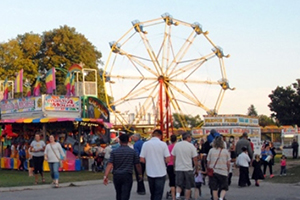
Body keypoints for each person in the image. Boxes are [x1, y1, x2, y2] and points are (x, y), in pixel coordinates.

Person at [103, 134, 142, 200]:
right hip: (127, 174)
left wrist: (105, 176)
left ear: (120, 141)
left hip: (117, 175)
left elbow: (110, 164)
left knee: (119, 193)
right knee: (126, 194)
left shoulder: (114, 152)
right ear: (128, 141)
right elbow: (137, 164)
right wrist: (140, 174)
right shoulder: (133, 152)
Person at [140, 129, 170, 200]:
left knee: (152, 192)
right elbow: (168, 159)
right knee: (158, 193)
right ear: (160, 136)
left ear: (152, 134)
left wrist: (149, 162)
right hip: (161, 172)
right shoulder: (163, 144)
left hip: (150, 172)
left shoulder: (145, 144)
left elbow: (141, 159)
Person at [172, 132, 198, 200]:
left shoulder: (177, 145)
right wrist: (196, 168)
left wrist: (174, 165)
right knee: (188, 186)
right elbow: (195, 159)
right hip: (188, 168)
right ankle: (186, 198)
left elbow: (173, 157)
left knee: (179, 184)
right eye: (190, 137)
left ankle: (177, 195)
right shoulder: (191, 146)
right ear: (188, 137)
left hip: (178, 168)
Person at [207, 136, 230, 200]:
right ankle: (221, 198)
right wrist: (228, 170)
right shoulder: (225, 151)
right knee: (224, 187)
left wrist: (208, 168)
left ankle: (215, 198)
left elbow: (208, 162)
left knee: (214, 188)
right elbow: (228, 163)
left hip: (213, 171)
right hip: (223, 171)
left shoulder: (211, 150)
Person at [167, 135, 177, 200]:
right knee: (178, 181)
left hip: (170, 164)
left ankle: (173, 197)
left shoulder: (168, 147)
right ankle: (178, 193)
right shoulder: (178, 147)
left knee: (172, 181)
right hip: (177, 165)